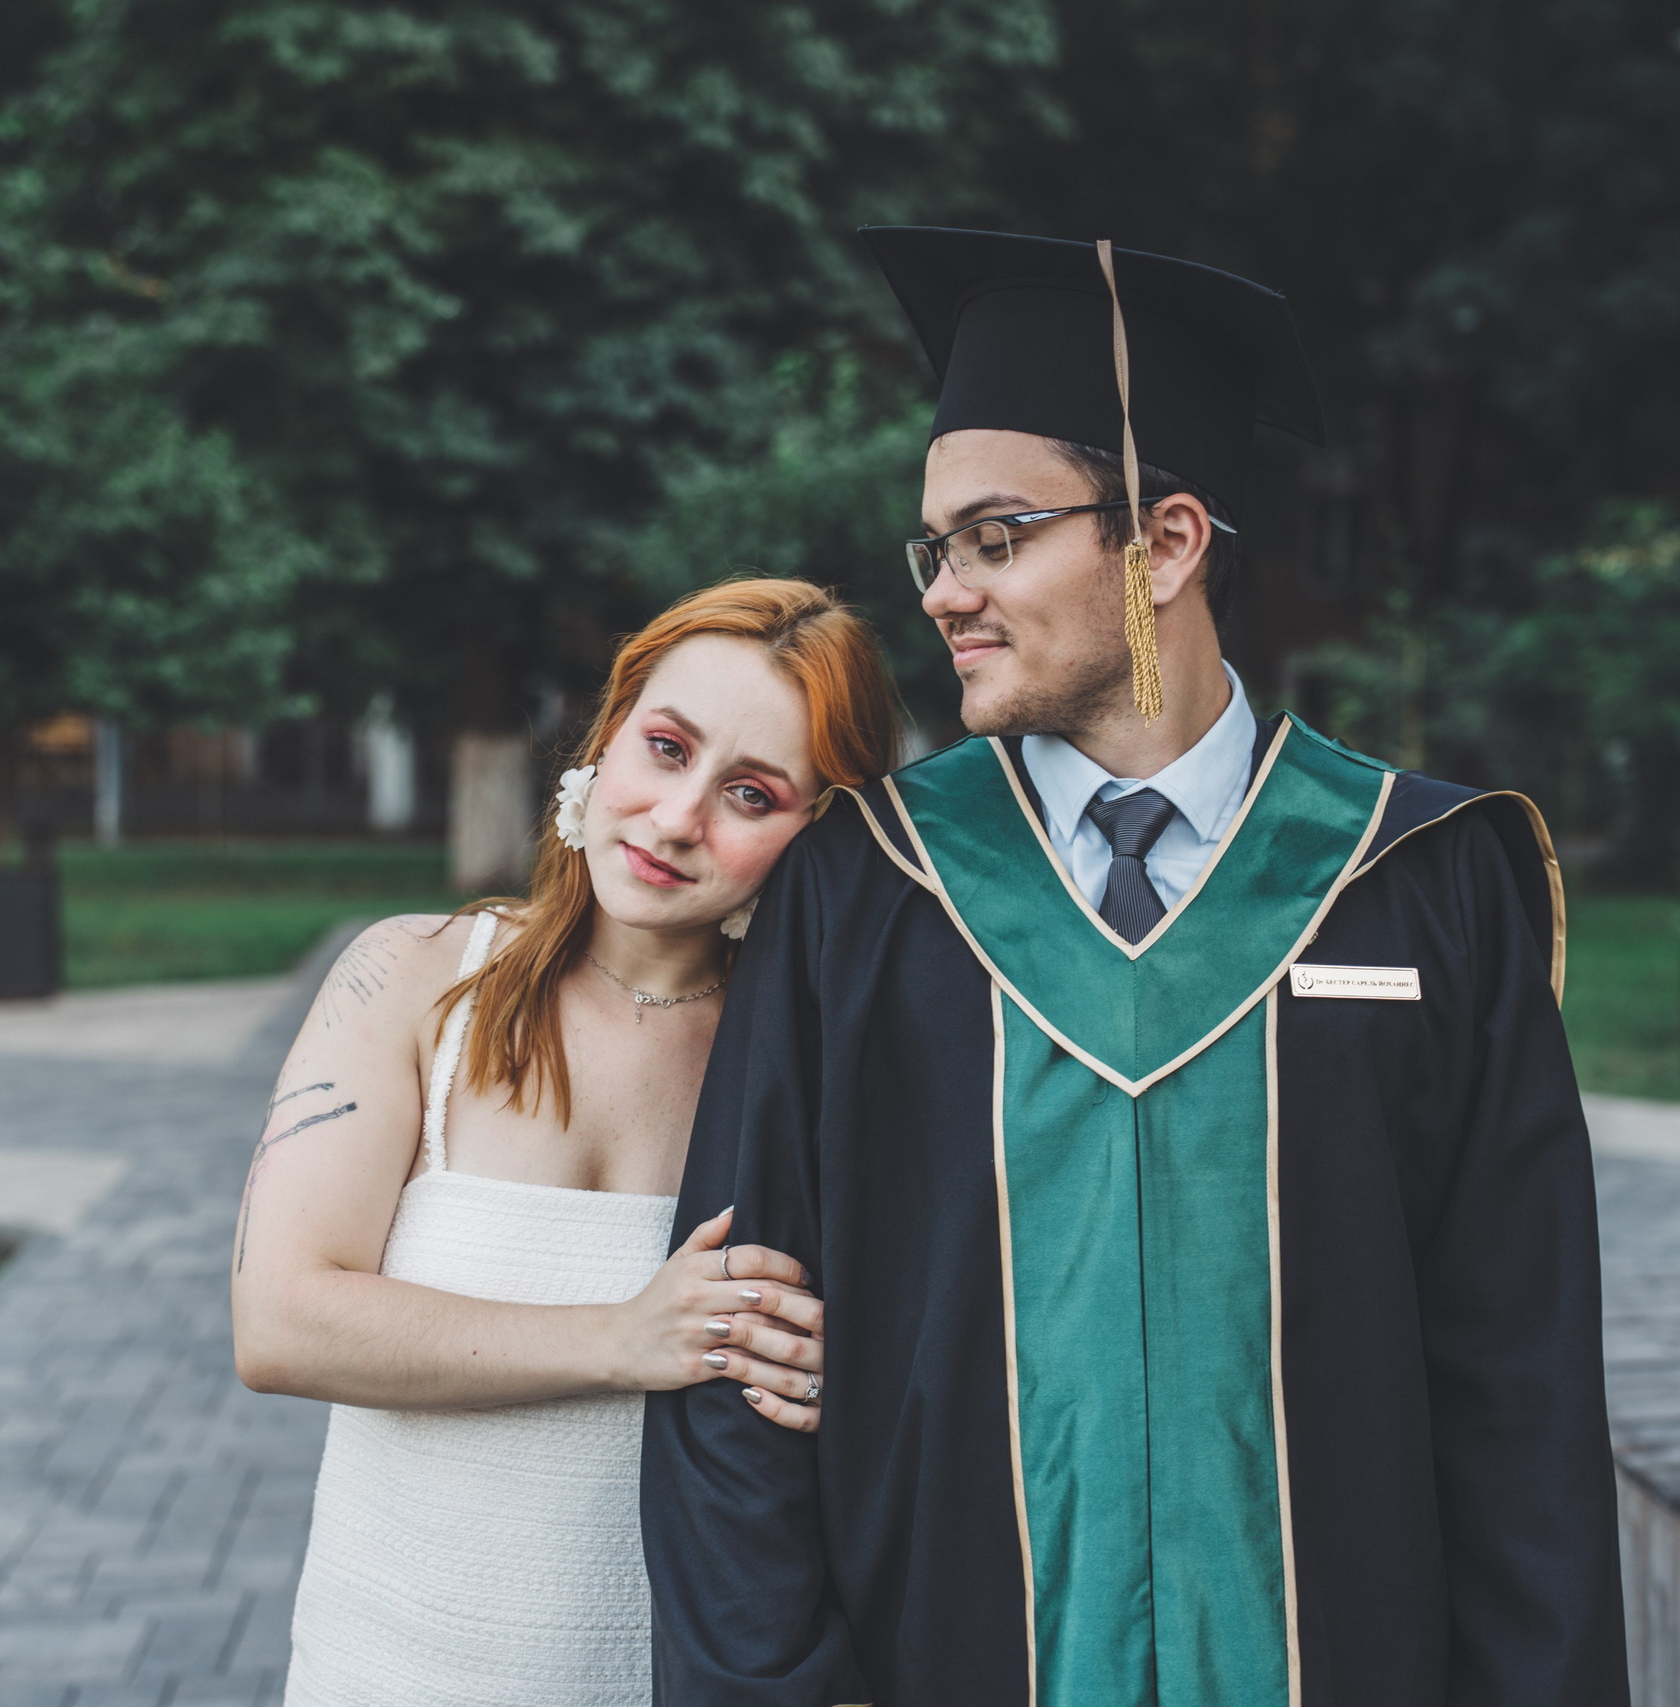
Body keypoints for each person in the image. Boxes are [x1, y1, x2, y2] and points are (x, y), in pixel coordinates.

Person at [644, 230, 1629, 1706]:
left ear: (1165, 544)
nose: (943, 592)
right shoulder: (865, 890)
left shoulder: (1425, 882)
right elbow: (742, 1361)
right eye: (935, 548)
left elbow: (1523, 1391)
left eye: (996, 537)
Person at [234, 579, 898, 1705]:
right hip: (386, 1671)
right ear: (607, 735)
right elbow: (280, 1322)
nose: (677, 818)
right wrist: (623, 1337)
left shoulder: (820, 1068)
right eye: (666, 747)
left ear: (817, 832)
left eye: (750, 793)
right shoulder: (413, 977)